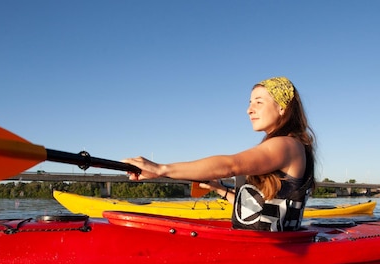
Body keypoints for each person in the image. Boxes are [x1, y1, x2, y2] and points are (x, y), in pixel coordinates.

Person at [123, 76, 316, 231]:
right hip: (252, 244)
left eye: (259, 102)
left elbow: (230, 165)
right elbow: (254, 208)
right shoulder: (282, 145)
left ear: (282, 107)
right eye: (250, 103)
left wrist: (160, 168)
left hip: (270, 251)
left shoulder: (287, 145)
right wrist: (219, 189)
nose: (249, 110)